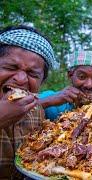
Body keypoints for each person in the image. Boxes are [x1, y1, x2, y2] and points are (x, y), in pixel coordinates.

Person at [0, 25, 58, 179]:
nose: (20, 79)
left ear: (42, 81)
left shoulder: (36, 110)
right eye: (10, 67)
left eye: (33, 73)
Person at [39, 50, 92, 121]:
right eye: (81, 77)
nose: (89, 85)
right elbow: (29, 106)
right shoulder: (51, 99)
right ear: (70, 75)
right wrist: (48, 101)